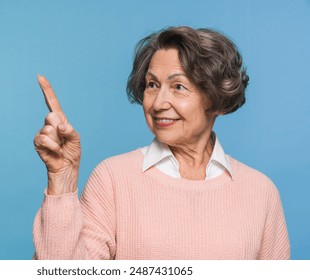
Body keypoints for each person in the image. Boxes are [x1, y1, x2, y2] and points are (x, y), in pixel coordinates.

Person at [32, 26, 290, 260]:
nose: (157, 104)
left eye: (178, 86)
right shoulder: (113, 179)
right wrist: (62, 181)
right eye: (152, 85)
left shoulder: (260, 192)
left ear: (217, 99)